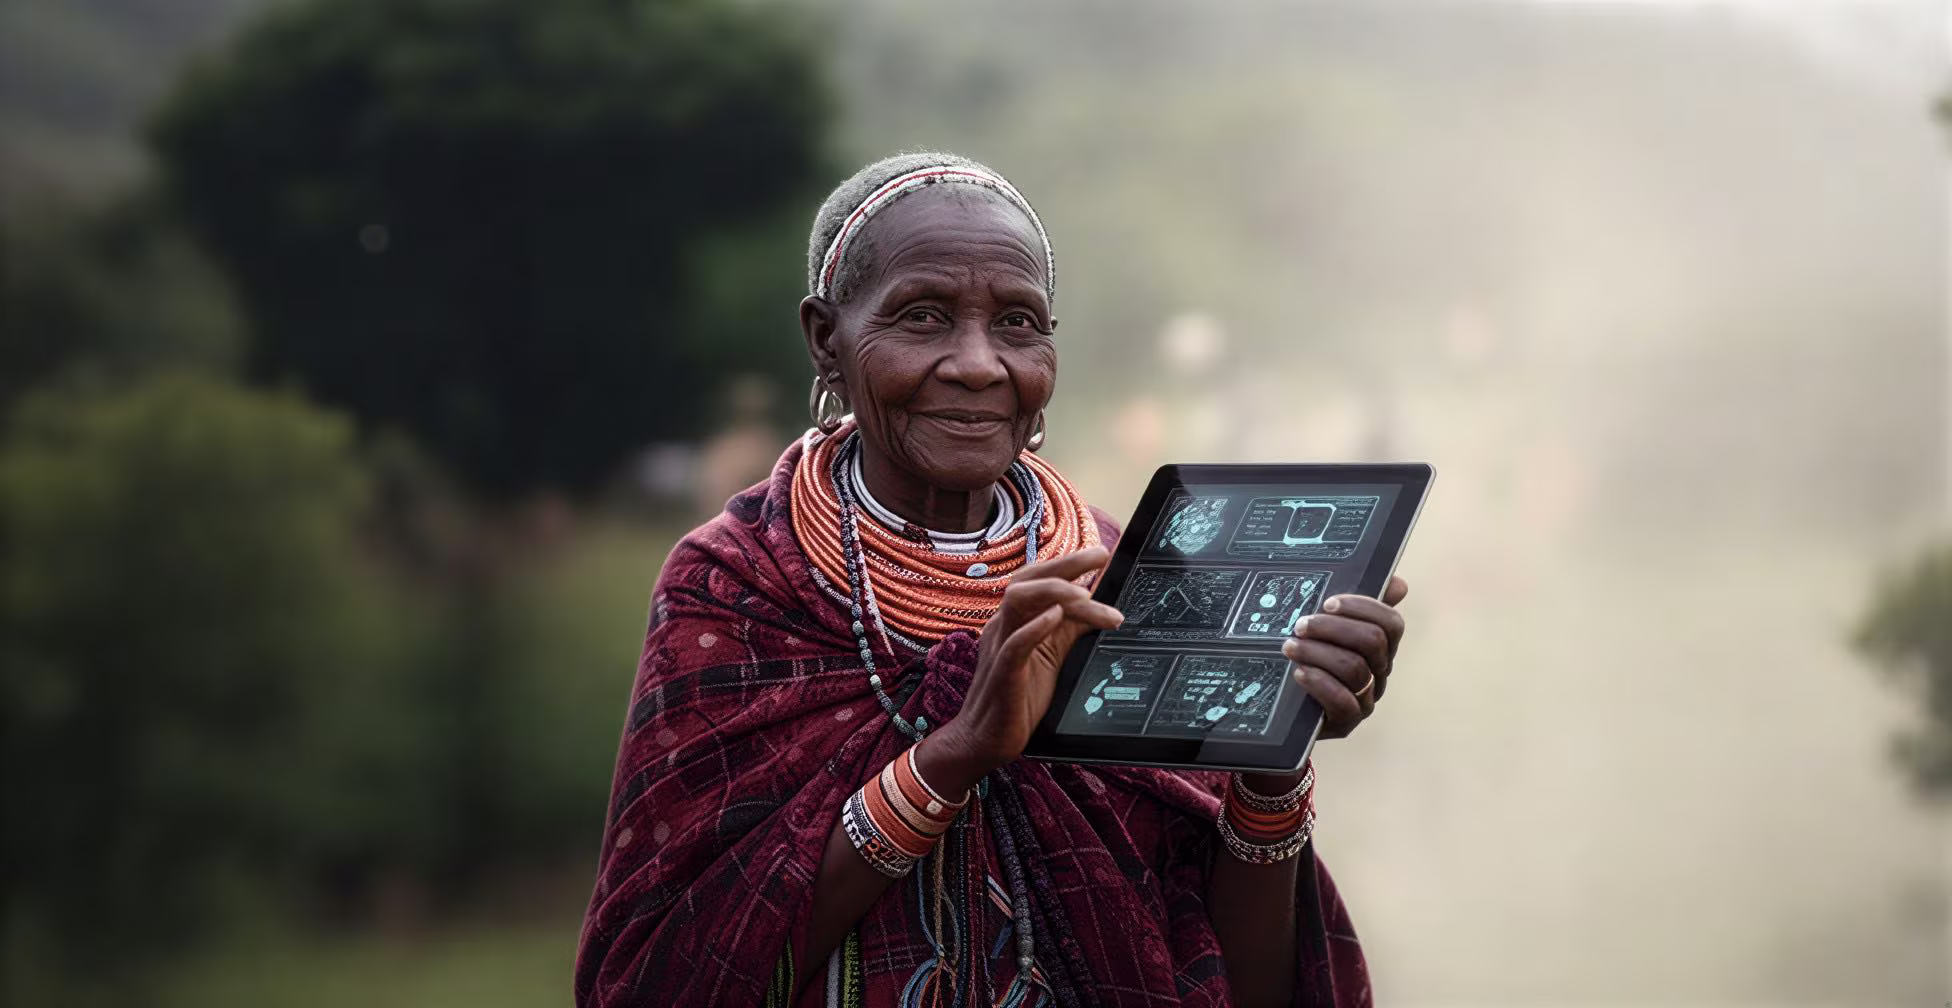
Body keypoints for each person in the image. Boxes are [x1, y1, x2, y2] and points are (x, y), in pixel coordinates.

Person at [574, 152, 1410, 1008]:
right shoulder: (740, 586)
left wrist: (1272, 759)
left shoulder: (1126, 581)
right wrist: (955, 753)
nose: (979, 363)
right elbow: (666, 977)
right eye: (923, 316)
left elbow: (1245, 983)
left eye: (1018, 323)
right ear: (827, 339)